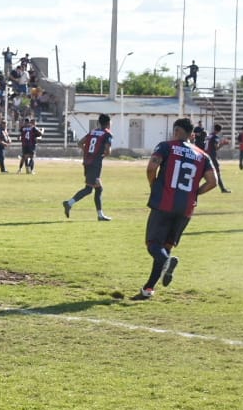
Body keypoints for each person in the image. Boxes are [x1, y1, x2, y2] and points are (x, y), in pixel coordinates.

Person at [133, 118, 217, 300]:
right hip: (186, 209)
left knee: (153, 245)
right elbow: (213, 182)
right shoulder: (203, 155)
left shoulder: (166, 146)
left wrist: (154, 185)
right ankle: (148, 289)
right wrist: (195, 194)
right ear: (191, 134)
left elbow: (151, 167)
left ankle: (167, 263)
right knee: (166, 247)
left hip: (164, 203)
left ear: (177, 130)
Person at [63, 114, 113, 221]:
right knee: (89, 189)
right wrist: (102, 155)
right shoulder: (107, 134)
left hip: (87, 162)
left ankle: (100, 215)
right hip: (95, 164)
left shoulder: (92, 132)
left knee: (98, 189)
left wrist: (87, 152)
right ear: (108, 123)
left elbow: (80, 143)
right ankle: (69, 203)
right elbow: (108, 151)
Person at [205, 123, 231, 193]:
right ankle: (223, 189)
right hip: (212, 157)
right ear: (220, 130)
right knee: (217, 173)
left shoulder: (209, 135)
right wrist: (223, 144)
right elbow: (216, 147)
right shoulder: (215, 137)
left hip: (205, 155)